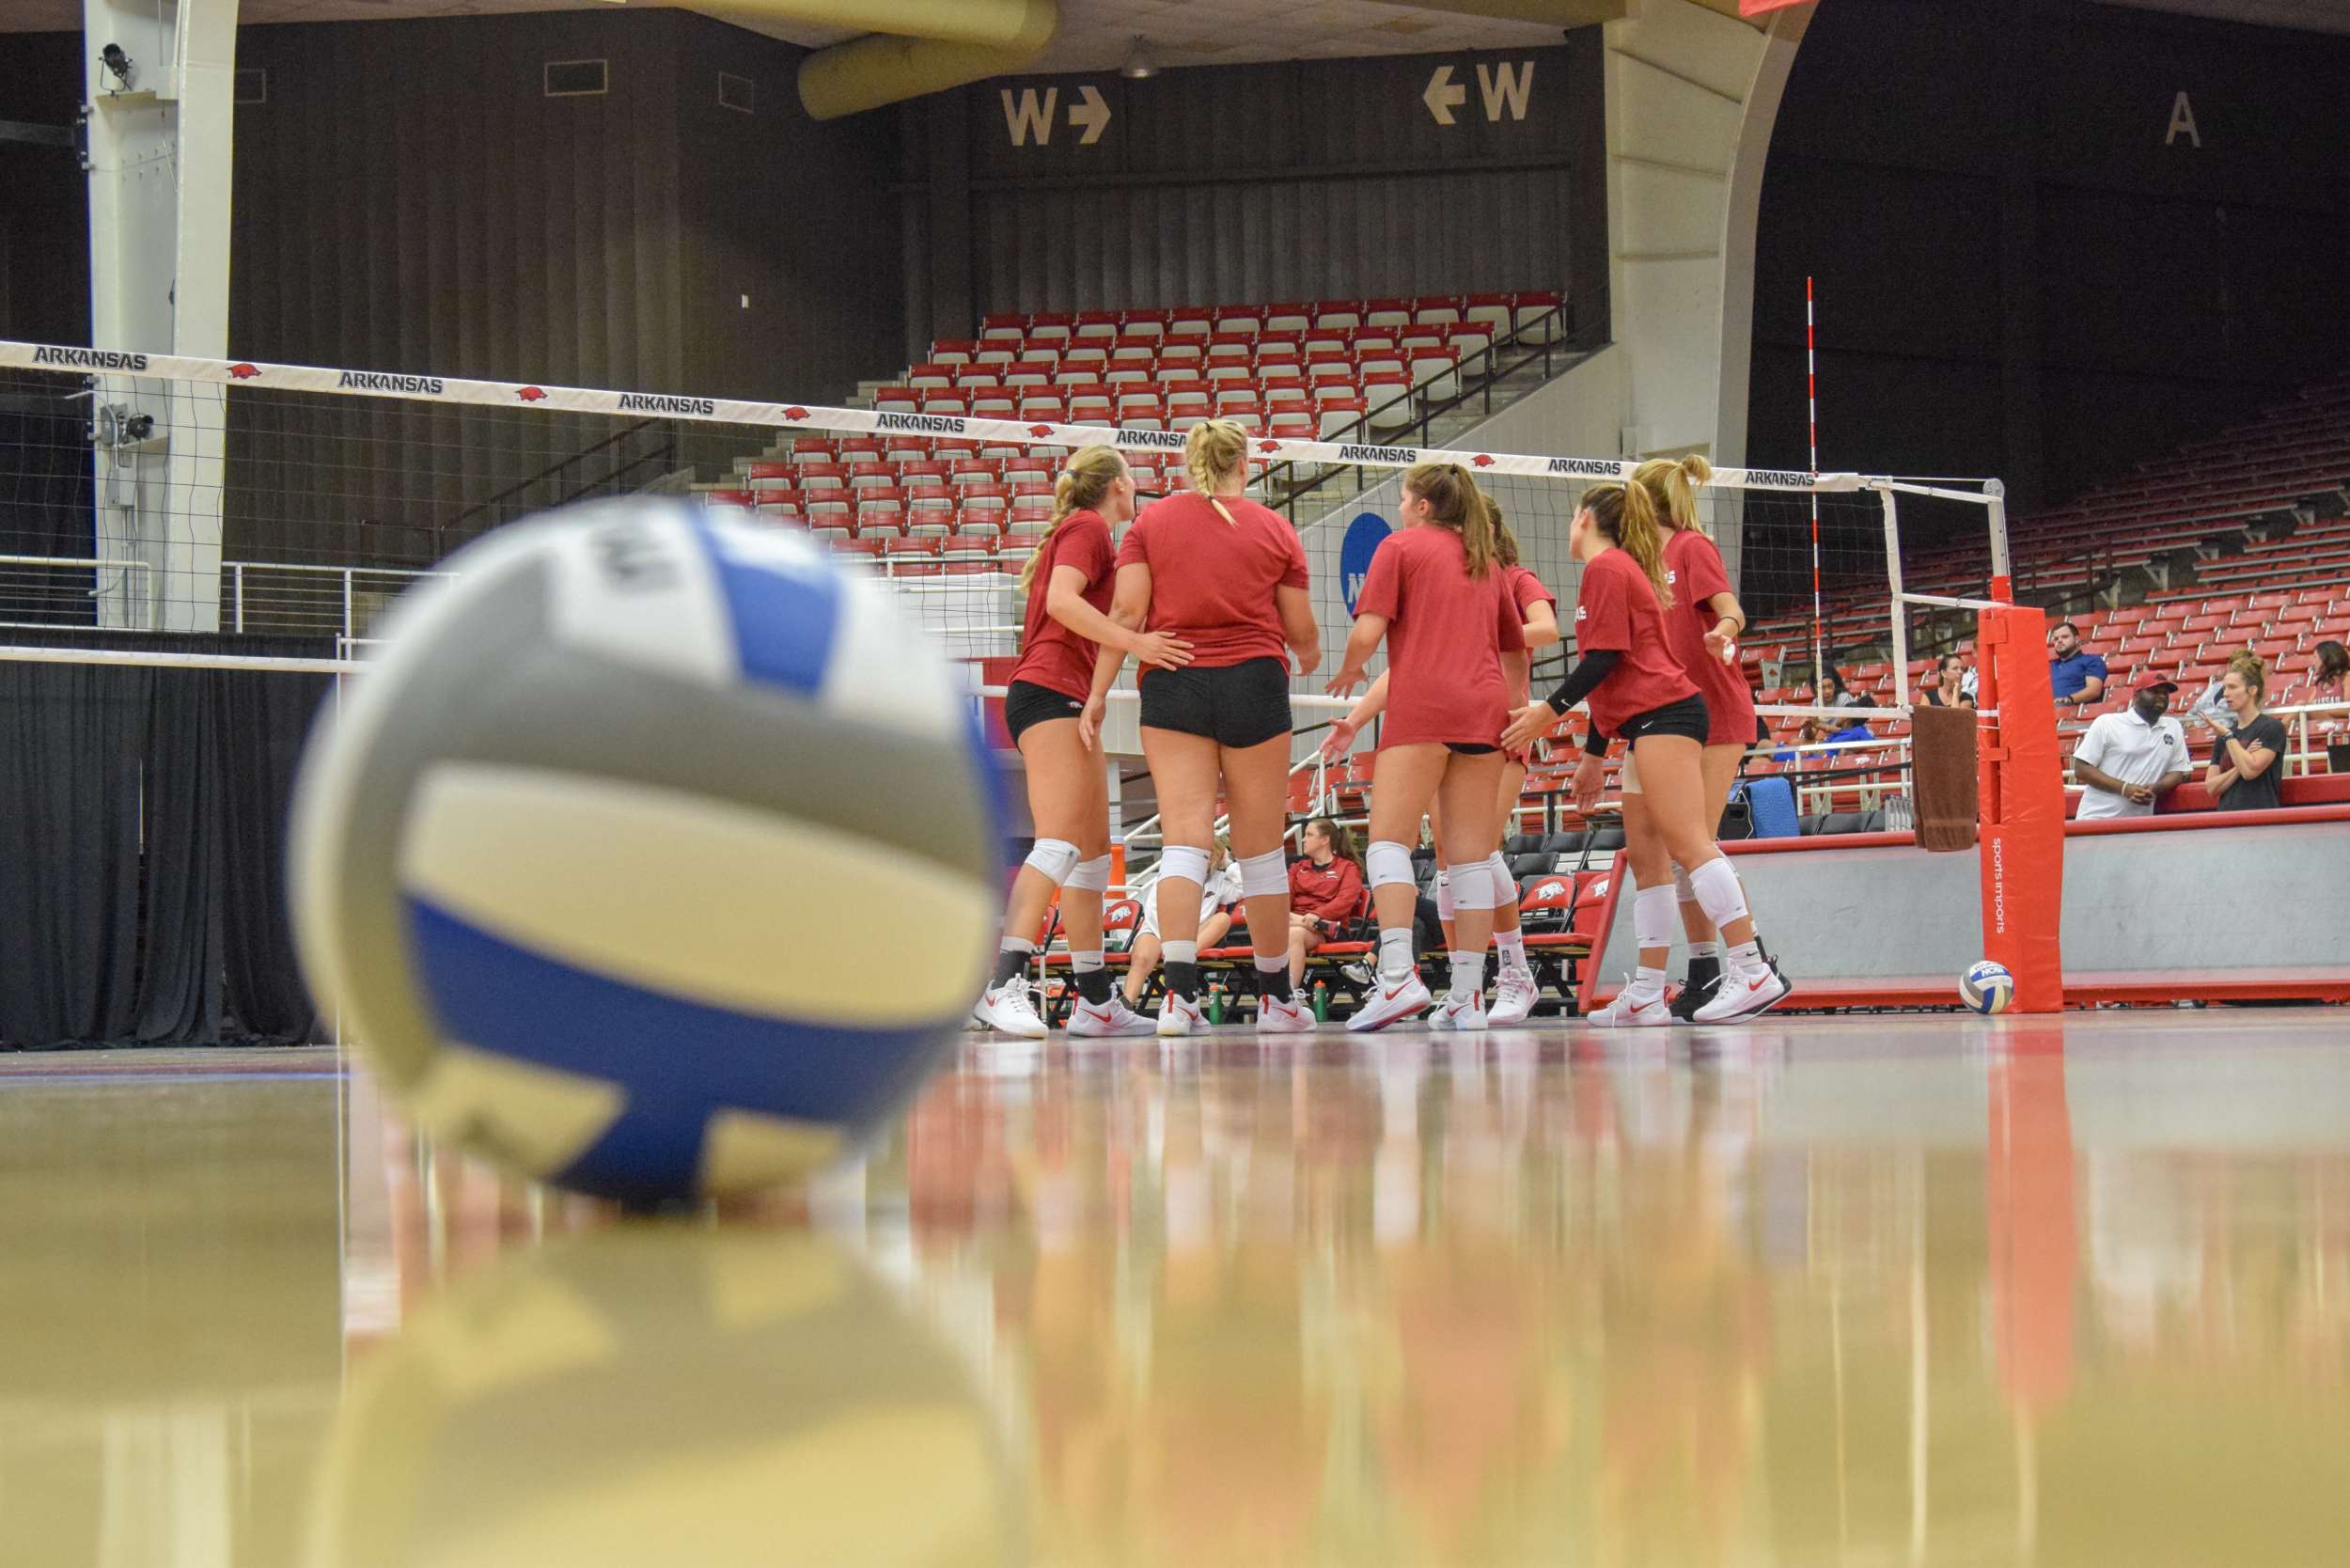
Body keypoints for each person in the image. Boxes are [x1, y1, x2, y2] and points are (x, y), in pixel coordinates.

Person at [1500, 481, 1791, 1025]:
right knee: (1649, 860)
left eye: (1572, 516)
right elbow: (1611, 670)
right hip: (1642, 722)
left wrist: (1549, 709)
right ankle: (1650, 993)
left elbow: (1606, 658)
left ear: (1586, 517)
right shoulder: (1614, 569)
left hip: (1669, 714)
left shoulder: (1608, 568)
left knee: (1689, 845)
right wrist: (1591, 752)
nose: (1569, 525)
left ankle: (1752, 967)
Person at [1084, 418, 1322, 1036]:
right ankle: (1276, 1000)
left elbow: (1127, 611)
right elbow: (1300, 631)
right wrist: (1314, 653)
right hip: (1253, 683)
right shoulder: (1274, 528)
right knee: (1262, 851)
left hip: (1174, 682)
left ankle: (1178, 999)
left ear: (1191, 465)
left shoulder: (1151, 524)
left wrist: (1097, 693)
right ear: (1245, 465)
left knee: (1184, 845)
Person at [972, 446, 1192, 1039]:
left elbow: (1105, 615)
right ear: (1118, 485)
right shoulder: (1088, 526)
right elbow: (1061, 603)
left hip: (1068, 694)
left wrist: (1103, 685)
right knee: (1062, 841)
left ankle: (1094, 999)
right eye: (1132, 475)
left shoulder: (1101, 537)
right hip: (1046, 691)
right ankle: (1002, 985)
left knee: (1093, 855)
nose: (1137, 484)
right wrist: (1142, 647)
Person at [1318, 500, 1560, 1025]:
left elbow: (1544, 628)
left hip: (1498, 723)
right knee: (1455, 858)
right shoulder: (1449, 572)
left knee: (1472, 853)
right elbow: (1402, 668)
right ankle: (1464, 987)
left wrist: (1483, 639)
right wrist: (1356, 720)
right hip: (1464, 716)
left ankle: (1512, 970)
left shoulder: (1507, 576)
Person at [1639, 454, 1772, 1021]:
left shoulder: (1692, 547)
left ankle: (1754, 963)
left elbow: (1730, 608)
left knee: (1696, 844)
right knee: (1679, 852)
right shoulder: (1643, 561)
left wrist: (1721, 633)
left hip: (1715, 707)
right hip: (1673, 714)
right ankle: (1705, 970)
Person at [1122, 839, 1240, 1009]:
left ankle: (1181, 957)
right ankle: (1126, 1004)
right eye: (1204, 854)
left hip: (1194, 934)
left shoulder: (1220, 880)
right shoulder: (1171, 873)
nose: (1206, 859)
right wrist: (1170, 939)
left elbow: (1244, 888)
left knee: (1223, 919)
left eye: (1212, 855)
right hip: (1158, 930)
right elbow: (1153, 908)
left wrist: (1228, 863)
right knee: (1141, 959)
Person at [2072, 676, 2189, 820]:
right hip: (2097, 818)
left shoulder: (2173, 726)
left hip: (2139, 822)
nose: (2161, 696)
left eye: (2165, 693)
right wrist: (2124, 788)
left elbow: (2177, 771)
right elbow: (2081, 769)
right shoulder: (2107, 723)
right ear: (2136, 696)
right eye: (2154, 691)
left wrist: (2156, 788)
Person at [2193, 649, 2288, 811]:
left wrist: (2230, 737)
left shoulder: (2271, 727)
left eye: (2232, 687)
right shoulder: (2223, 735)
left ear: (2252, 690)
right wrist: (2240, 760)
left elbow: (2250, 771)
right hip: (2227, 818)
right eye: (2225, 688)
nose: (2226, 694)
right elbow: (2211, 787)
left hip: (2262, 816)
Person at [1284, 817, 1364, 993]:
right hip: (1298, 922)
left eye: (1309, 834)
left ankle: (1288, 996)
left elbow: (1345, 901)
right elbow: (1284, 899)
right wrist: (1304, 919)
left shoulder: (1347, 868)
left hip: (1330, 929)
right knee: (1277, 925)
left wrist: (1318, 915)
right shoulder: (1297, 868)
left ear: (1324, 840)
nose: (1303, 839)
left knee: (1294, 933)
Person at [2047, 620, 2107, 704]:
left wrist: (2069, 699)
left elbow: (2094, 690)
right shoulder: (2048, 666)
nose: (2059, 641)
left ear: (2077, 639)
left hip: (2074, 712)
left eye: (2065, 637)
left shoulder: (2092, 660)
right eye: (2056, 639)